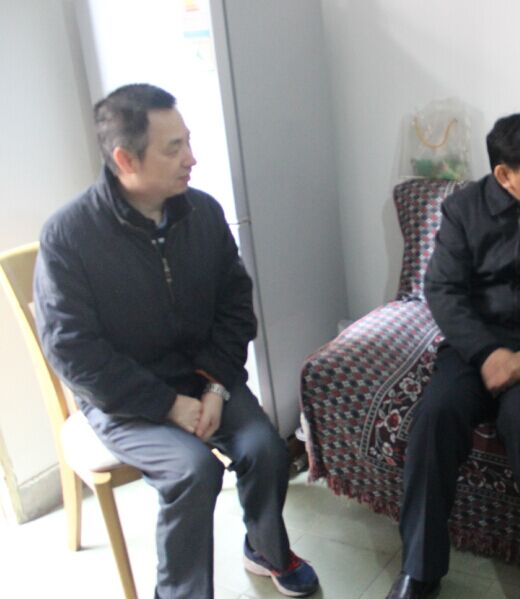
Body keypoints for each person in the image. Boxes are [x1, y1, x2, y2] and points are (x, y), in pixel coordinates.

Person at [33, 83, 319, 599]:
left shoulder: (201, 213)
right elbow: (72, 351)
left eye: (188, 141)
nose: (192, 158)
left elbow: (235, 306)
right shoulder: (70, 236)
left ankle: (264, 549)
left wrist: (214, 386)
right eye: (174, 148)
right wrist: (167, 405)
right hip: (122, 397)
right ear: (125, 159)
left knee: (265, 449)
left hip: (203, 377)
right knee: (193, 470)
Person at [386, 113, 520, 599]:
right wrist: (487, 353)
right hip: (475, 345)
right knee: (436, 415)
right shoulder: (463, 209)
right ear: (505, 174)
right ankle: (420, 569)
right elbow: (442, 289)